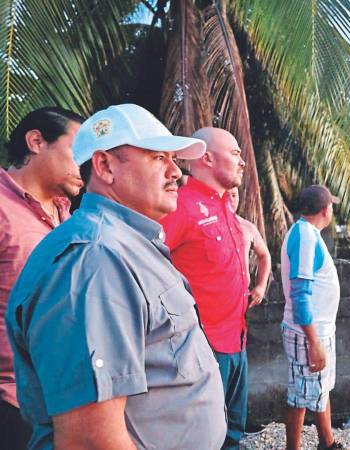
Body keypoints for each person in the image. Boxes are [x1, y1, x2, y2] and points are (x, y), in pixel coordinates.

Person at [6, 104, 227, 450]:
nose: (176, 173)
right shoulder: (95, 259)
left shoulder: (125, 245)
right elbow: (90, 439)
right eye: (157, 158)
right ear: (105, 166)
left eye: (173, 159)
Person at [160, 127, 251, 449]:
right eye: (236, 153)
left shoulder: (225, 205)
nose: (243, 162)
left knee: (234, 432)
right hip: (203, 347)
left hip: (236, 339)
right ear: (207, 158)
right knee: (201, 437)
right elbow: (149, 268)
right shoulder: (180, 206)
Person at [0, 107, 84, 449]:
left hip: (64, 399)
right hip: (11, 404)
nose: (86, 164)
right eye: (77, 152)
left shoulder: (69, 216)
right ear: (36, 141)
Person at [280, 185, 345, 450]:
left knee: (320, 388)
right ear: (325, 209)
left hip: (318, 330)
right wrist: (314, 342)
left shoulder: (307, 233)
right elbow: (300, 295)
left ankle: (326, 442)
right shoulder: (305, 237)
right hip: (308, 332)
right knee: (300, 396)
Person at [228, 187, 271, 309]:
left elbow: (264, 255)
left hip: (241, 298)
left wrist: (261, 286)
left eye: (234, 195)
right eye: (226, 195)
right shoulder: (206, 224)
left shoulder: (247, 227)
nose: (231, 200)